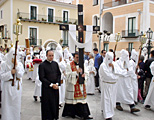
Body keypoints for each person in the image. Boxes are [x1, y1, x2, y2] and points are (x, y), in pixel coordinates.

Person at [62, 52, 93, 119]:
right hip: (72, 86)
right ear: (73, 57)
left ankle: (84, 114)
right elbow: (67, 75)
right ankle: (72, 113)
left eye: (79, 57)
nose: (78, 59)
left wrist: (85, 75)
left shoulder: (83, 64)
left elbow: (87, 73)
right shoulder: (69, 65)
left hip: (80, 86)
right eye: (76, 57)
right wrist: (76, 73)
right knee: (73, 101)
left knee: (81, 101)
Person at [99, 52, 127, 120]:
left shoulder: (114, 64)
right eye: (108, 59)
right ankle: (108, 115)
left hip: (113, 85)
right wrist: (116, 77)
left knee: (111, 99)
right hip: (106, 84)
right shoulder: (103, 66)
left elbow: (120, 72)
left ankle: (105, 110)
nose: (110, 61)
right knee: (106, 99)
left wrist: (114, 68)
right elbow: (107, 76)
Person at [0, 47, 24, 120]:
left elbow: (20, 75)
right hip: (7, 86)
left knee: (15, 105)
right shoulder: (4, 64)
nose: (14, 56)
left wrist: (16, 66)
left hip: (16, 86)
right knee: (7, 106)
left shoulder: (19, 64)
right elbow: (1, 76)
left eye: (16, 54)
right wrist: (10, 73)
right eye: (13, 54)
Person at [39, 50, 61, 120]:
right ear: (46, 56)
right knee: (47, 105)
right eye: (50, 56)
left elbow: (59, 74)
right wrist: (51, 85)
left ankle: (55, 116)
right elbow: (42, 77)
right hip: (47, 88)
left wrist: (57, 83)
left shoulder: (55, 64)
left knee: (55, 103)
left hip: (55, 87)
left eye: (52, 55)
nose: (51, 57)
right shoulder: (42, 65)